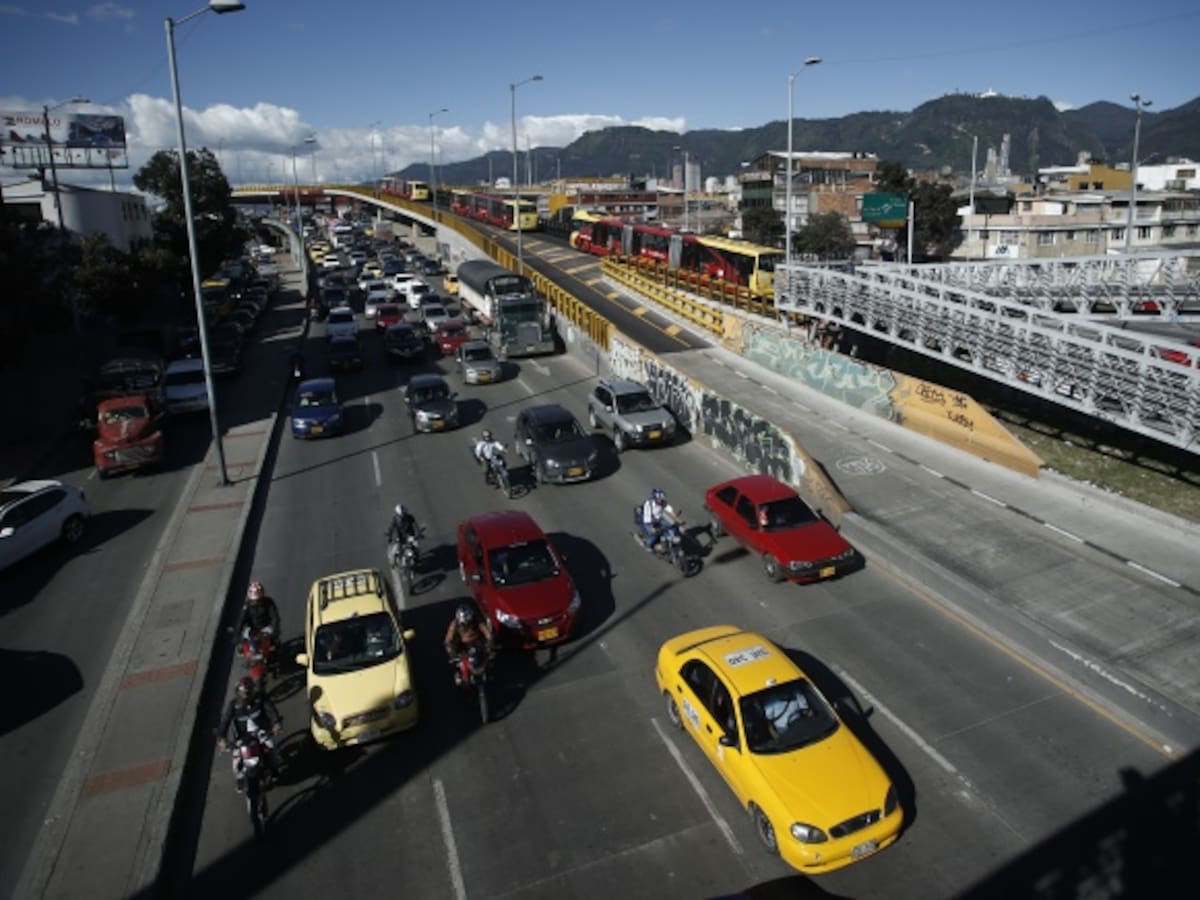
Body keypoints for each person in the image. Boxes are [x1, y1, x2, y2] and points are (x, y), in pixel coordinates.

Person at [217, 676, 283, 784]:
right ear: (238, 692)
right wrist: (222, 738)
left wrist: (276, 723)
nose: (245, 696)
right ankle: (239, 779)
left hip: (261, 733)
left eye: (248, 693)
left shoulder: (261, 699)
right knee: (236, 762)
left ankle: (274, 770)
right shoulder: (233, 705)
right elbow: (224, 722)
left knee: (272, 750)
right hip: (242, 738)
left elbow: (271, 711)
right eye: (242, 693)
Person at [444, 603, 494, 684]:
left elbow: (485, 630)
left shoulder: (476, 620)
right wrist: (450, 648)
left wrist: (490, 640)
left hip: (477, 643)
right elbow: (449, 638)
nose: (466, 625)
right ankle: (459, 675)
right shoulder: (454, 624)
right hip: (462, 645)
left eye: (468, 622)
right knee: (458, 663)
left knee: (488, 656)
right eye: (463, 624)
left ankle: (487, 669)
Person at [640, 488, 676, 553]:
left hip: (658, 520)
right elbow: (648, 517)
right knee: (655, 533)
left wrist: (676, 518)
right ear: (655, 498)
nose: (661, 500)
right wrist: (653, 528)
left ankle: (668, 540)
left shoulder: (662, 502)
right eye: (660, 499)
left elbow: (669, 508)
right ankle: (648, 545)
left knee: (671, 526)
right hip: (648, 522)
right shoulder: (648, 504)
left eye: (662, 498)